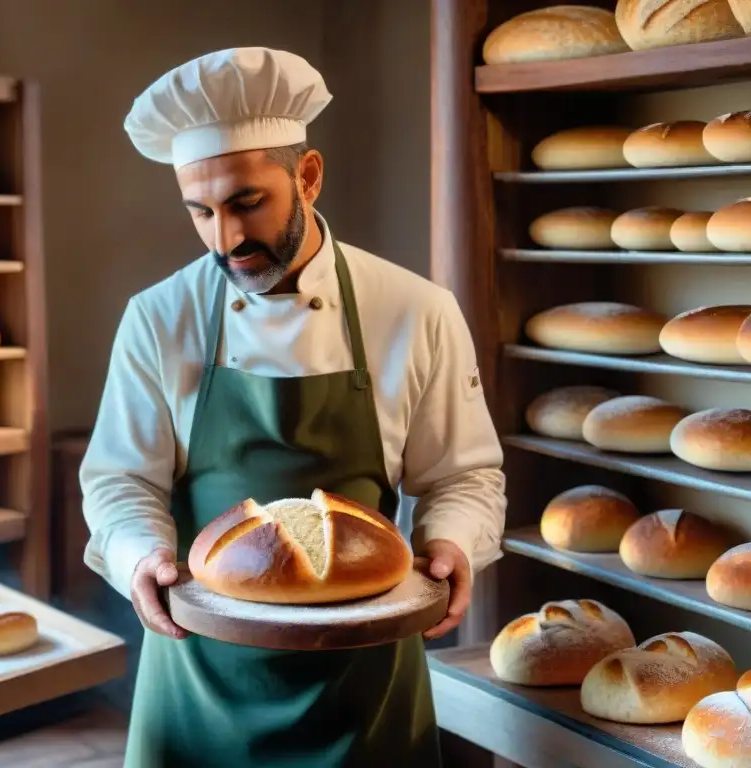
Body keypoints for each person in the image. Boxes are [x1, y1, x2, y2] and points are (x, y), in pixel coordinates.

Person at [80, 46, 507, 768]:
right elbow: (120, 478)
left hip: (365, 675)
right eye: (201, 212)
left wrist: (454, 539)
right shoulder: (159, 317)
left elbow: (462, 475)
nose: (227, 239)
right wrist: (140, 554)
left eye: (248, 202)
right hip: (199, 674)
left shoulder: (415, 311)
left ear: (307, 176)